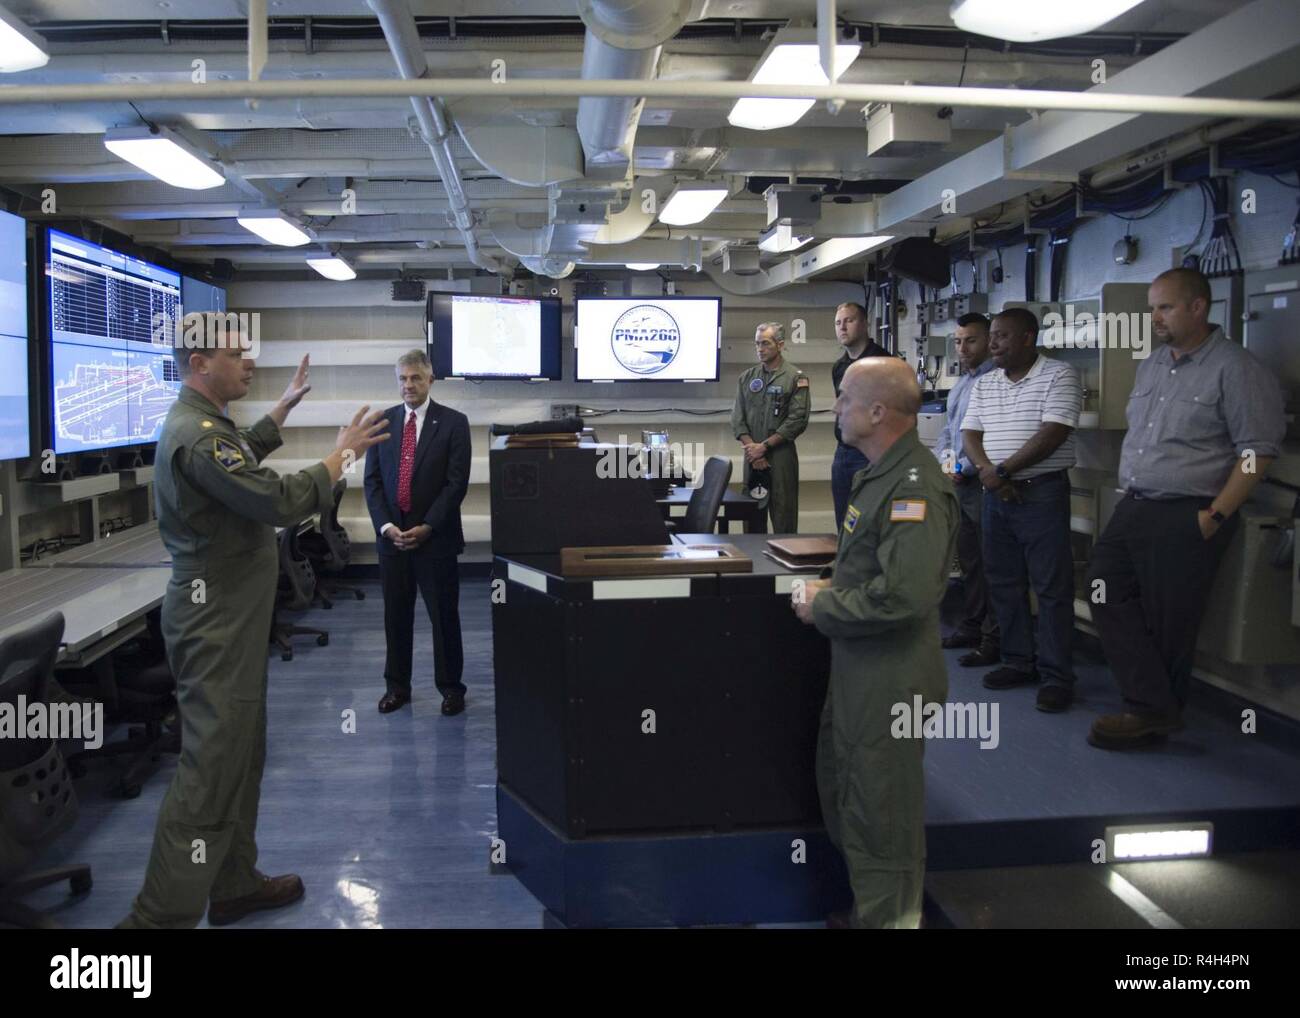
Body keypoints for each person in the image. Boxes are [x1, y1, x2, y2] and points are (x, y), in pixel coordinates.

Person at [119, 314, 389, 929]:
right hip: (214, 624)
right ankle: (153, 923)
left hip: (232, 623)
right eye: (236, 354)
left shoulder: (210, 426)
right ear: (199, 365)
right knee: (210, 772)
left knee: (241, 755)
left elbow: (235, 463)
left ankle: (234, 882)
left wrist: (282, 412)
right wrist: (341, 454)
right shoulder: (196, 434)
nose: (249, 362)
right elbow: (271, 498)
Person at [1086, 268, 1285, 749]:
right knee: (1101, 592)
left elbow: (1257, 451)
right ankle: (1154, 703)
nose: (1154, 317)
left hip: (1189, 510)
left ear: (1199, 307)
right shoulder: (1153, 364)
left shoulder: (1237, 369)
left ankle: (1150, 714)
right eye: (1152, 307)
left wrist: (1214, 516)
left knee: (1170, 619)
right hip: (1135, 503)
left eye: (1165, 307)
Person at [793, 358, 958, 929]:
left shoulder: (914, 487)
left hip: (892, 676)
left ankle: (891, 921)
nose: (835, 408)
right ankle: (872, 914)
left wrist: (825, 605)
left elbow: (903, 596)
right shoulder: (880, 474)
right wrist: (835, 581)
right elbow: (872, 566)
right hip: (862, 669)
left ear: (877, 411)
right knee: (852, 796)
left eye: (843, 398)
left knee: (882, 814)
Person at [961, 307, 1083, 712]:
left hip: (1040, 493)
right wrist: (988, 472)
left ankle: (1056, 676)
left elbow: (1054, 432)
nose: (993, 343)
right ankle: (1018, 661)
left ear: (1028, 338)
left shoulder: (1060, 375)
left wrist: (1002, 470)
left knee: (1051, 587)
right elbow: (970, 433)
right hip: (997, 494)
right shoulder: (987, 383)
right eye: (991, 336)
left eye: (1002, 336)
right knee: (1003, 581)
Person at [364, 349, 472, 716]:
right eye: (402, 379)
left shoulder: (455, 423)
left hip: (435, 540)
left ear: (430, 380)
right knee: (395, 618)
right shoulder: (382, 422)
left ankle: (451, 689)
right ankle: (397, 687)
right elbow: (372, 483)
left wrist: (427, 527)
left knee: (444, 618)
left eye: (415, 378)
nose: (408, 385)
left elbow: (456, 484)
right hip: (392, 542)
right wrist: (387, 527)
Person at [938, 313, 1000, 667]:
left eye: (970, 341)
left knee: (991, 561)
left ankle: (994, 634)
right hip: (959, 483)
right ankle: (973, 624)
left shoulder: (996, 381)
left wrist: (962, 467)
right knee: (971, 561)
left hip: (983, 484)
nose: (962, 348)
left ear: (989, 341)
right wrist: (948, 464)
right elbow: (949, 432)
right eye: (958, 342)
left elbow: (989, 434)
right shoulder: (962, 383)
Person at [731, 322, 810, 534]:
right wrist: (754, 452)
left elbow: (797, 420)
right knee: (752, 518)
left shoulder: (795, 378)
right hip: (752, 459)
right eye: (757, 344)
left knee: (784, 518)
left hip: (780, 457)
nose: (760, 349)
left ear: (780, 344)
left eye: (765, 343)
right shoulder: (747, 378)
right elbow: (738, 420)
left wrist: (763, 448)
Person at [830, 301, 892, 528]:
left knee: (869, 522)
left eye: (849, 321)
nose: (842, 327)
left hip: (870, 453)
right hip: (843, 453)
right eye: (838, 323)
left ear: (865, 324)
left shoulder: (884, 362)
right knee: (844, 523)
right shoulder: (839, 367)